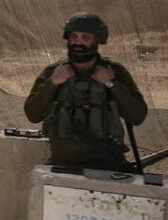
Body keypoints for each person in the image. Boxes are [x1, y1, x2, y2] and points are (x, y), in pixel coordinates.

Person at [24, 12, 147, 172]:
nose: (78, 42)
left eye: (85, 37)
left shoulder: (115, 72)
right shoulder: (53, 72)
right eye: (74, 36)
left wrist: (110, 83)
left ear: (97, 40)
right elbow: (32, 114)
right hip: (62, 164)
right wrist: (53, 83)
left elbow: (137, 116)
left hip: (107, 165)